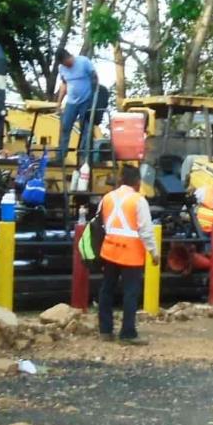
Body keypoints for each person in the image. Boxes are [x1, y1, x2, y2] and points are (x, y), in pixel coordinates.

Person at [97, 165, 159, 345]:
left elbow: (99, 223)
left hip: (109, 251)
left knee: (106, 290)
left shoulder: (107, 198)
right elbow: (146, 230)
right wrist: (154, 253)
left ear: (120, 180)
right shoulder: (138, 201)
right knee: (130, 293)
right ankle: (127, 333)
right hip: (131, 255)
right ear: (137, 182)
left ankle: (105, 330)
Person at [54, 48, 98, 165]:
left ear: (69, 57)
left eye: (66, 63)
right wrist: (59, 102)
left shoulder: (83, 62)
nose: (66, 66)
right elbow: (64, 84)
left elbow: (95, 78)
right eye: (63, 64)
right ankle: (61, 155)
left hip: (86, 100)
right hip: (72, 102)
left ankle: (84, 156)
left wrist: (94, 100)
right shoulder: (62, 68)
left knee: (85, 128)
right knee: (65, 126)